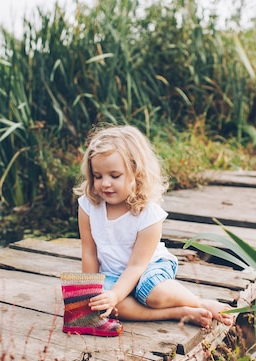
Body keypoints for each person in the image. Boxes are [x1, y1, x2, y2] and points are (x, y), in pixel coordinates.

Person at [73, 125, 233, 329]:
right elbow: (89, 252)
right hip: (112, 273)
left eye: (115, 176)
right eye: (98, 176)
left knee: (154, 294)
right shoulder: (88, 206)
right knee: (110, 307)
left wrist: (115, 293)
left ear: (136, 173)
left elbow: (137, 266)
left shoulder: (148, 214)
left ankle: (199, 303)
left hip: (149, 268)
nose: (105, 183)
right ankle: (178, 313)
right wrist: (92, 291)